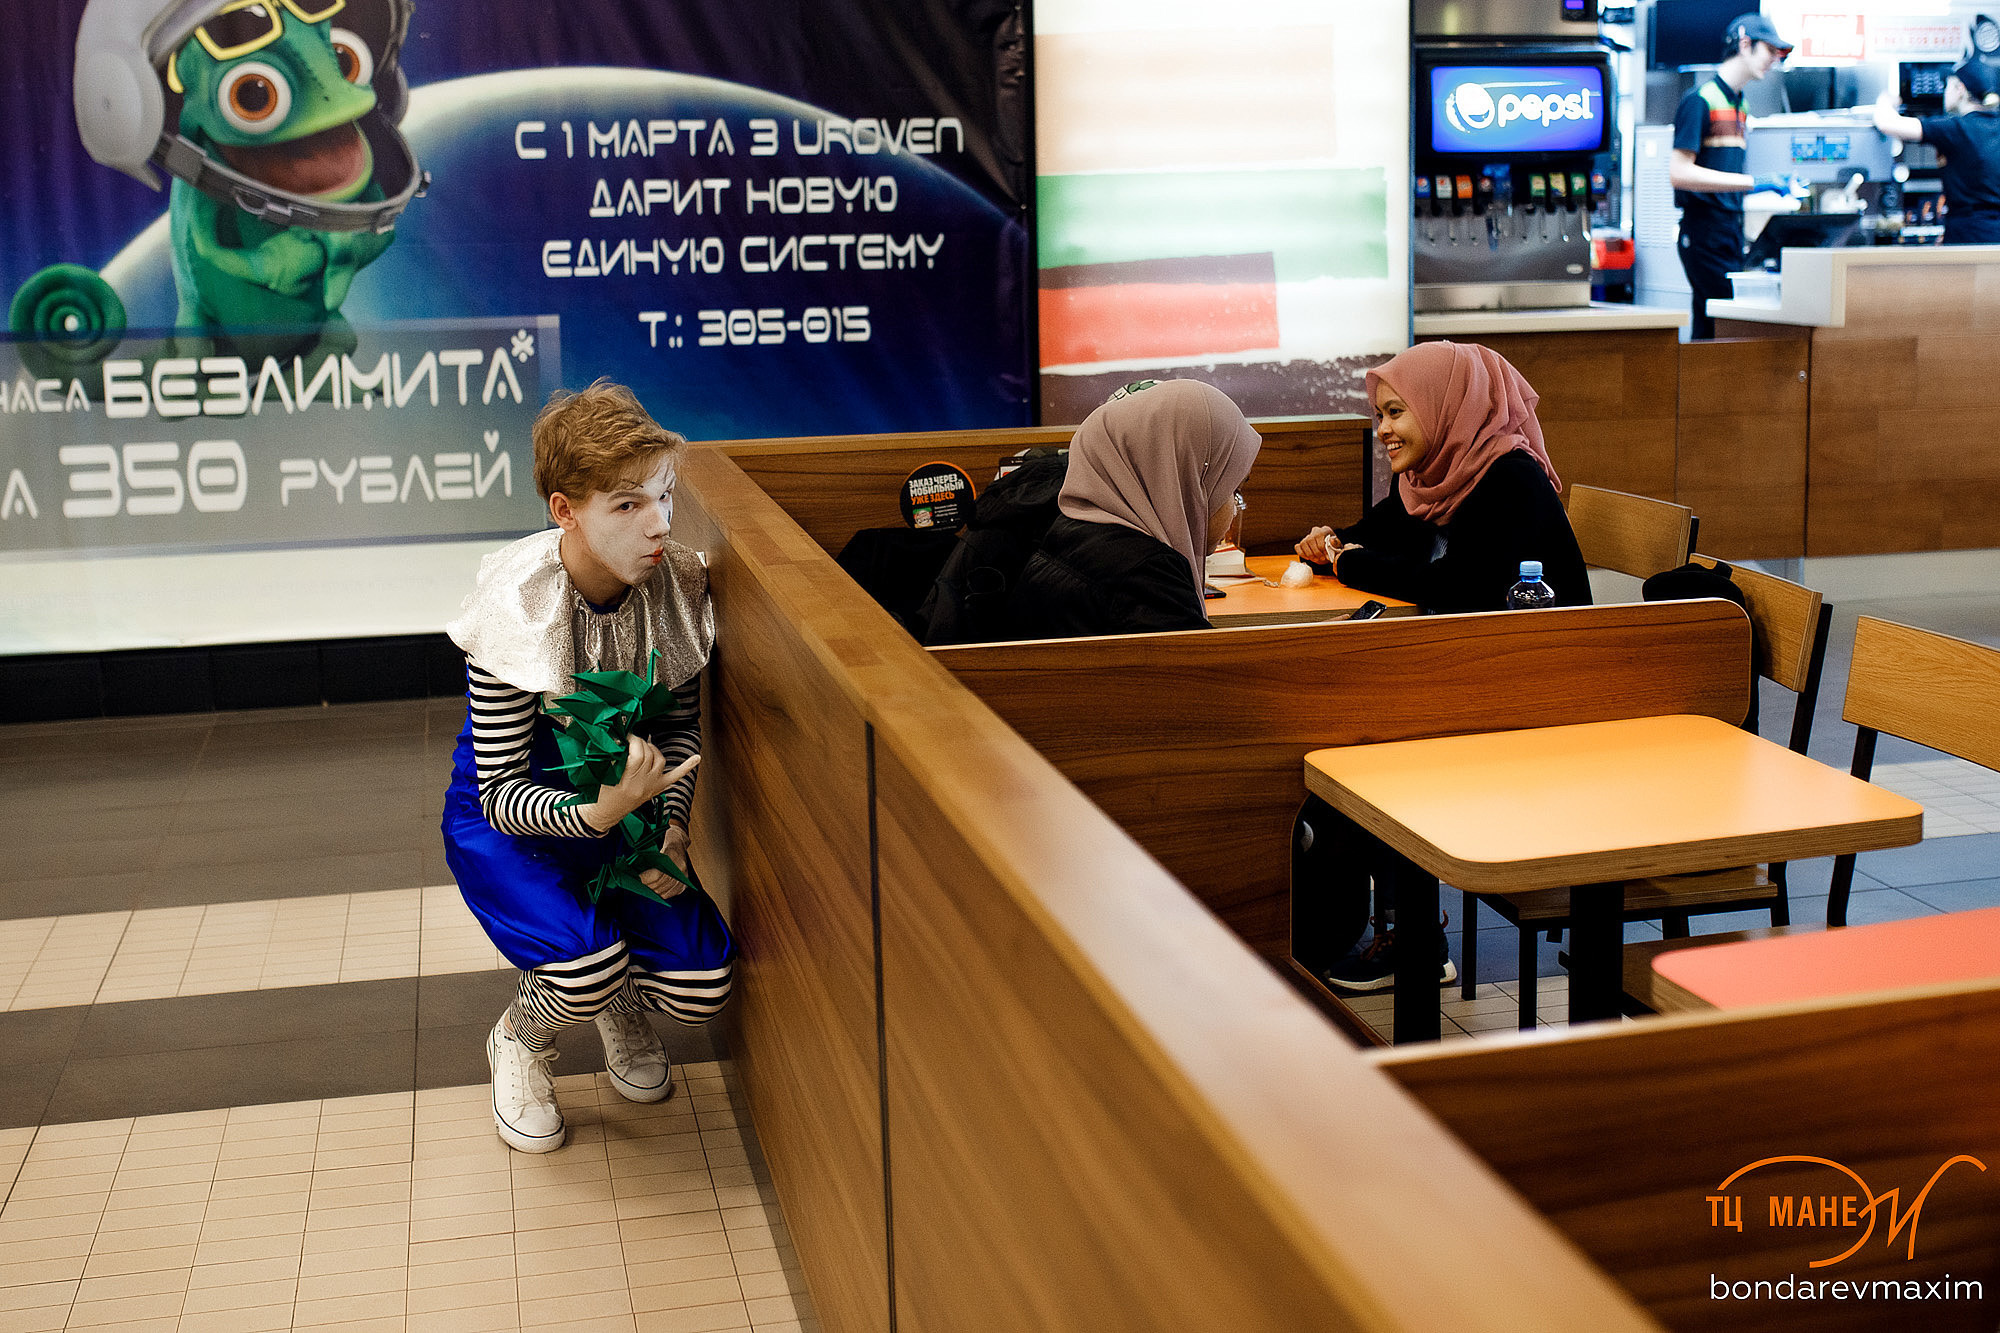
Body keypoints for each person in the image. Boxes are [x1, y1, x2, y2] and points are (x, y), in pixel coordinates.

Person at [441, 379, 733, 1154]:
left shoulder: (676, 580)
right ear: (565, 510)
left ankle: (608, 997)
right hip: (510, 822)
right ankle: (520, 1037)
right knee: (584, 965)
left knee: (706, 981)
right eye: (628, 505)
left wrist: (669, 831)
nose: (661, 525)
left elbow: (677, 728)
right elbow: (499, 791)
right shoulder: (518, 604)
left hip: (622, 806)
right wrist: (602, 814)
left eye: (665, 496)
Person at [1293, 341, 1590, 615]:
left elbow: (1459, 587)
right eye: (1380, 415)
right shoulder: (1424, 476)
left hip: (1544, 656)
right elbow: (1377, 534)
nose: (1382, 429)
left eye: (1395, 412)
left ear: (1444, 407)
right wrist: (1326, 546)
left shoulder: (1511, 478)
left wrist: (1349, 563)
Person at [1006, 378, 1261, 639]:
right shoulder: (1144, 579)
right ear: (1182, 481)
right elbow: (1199, 676)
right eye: (1231, 488)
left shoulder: (1071, 535)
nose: (1233, 508)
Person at [1670, 13, 1793, 339]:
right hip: (1703, 230)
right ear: (1744, 44)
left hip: (1730, 229)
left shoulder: (1741, 105)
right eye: (1770, 50)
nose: (1774, 60)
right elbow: (1679, 173)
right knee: (1724, 321)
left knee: (1712, 326)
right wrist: (1755, 183)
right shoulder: (1700, 99)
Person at [1872, 58, 2000, 245]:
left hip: (1969, 235)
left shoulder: (1957, 128)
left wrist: (1886, 99)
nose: (1944, 92)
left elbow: (1887, 123)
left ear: (1960, 89)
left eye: (1947, 86)